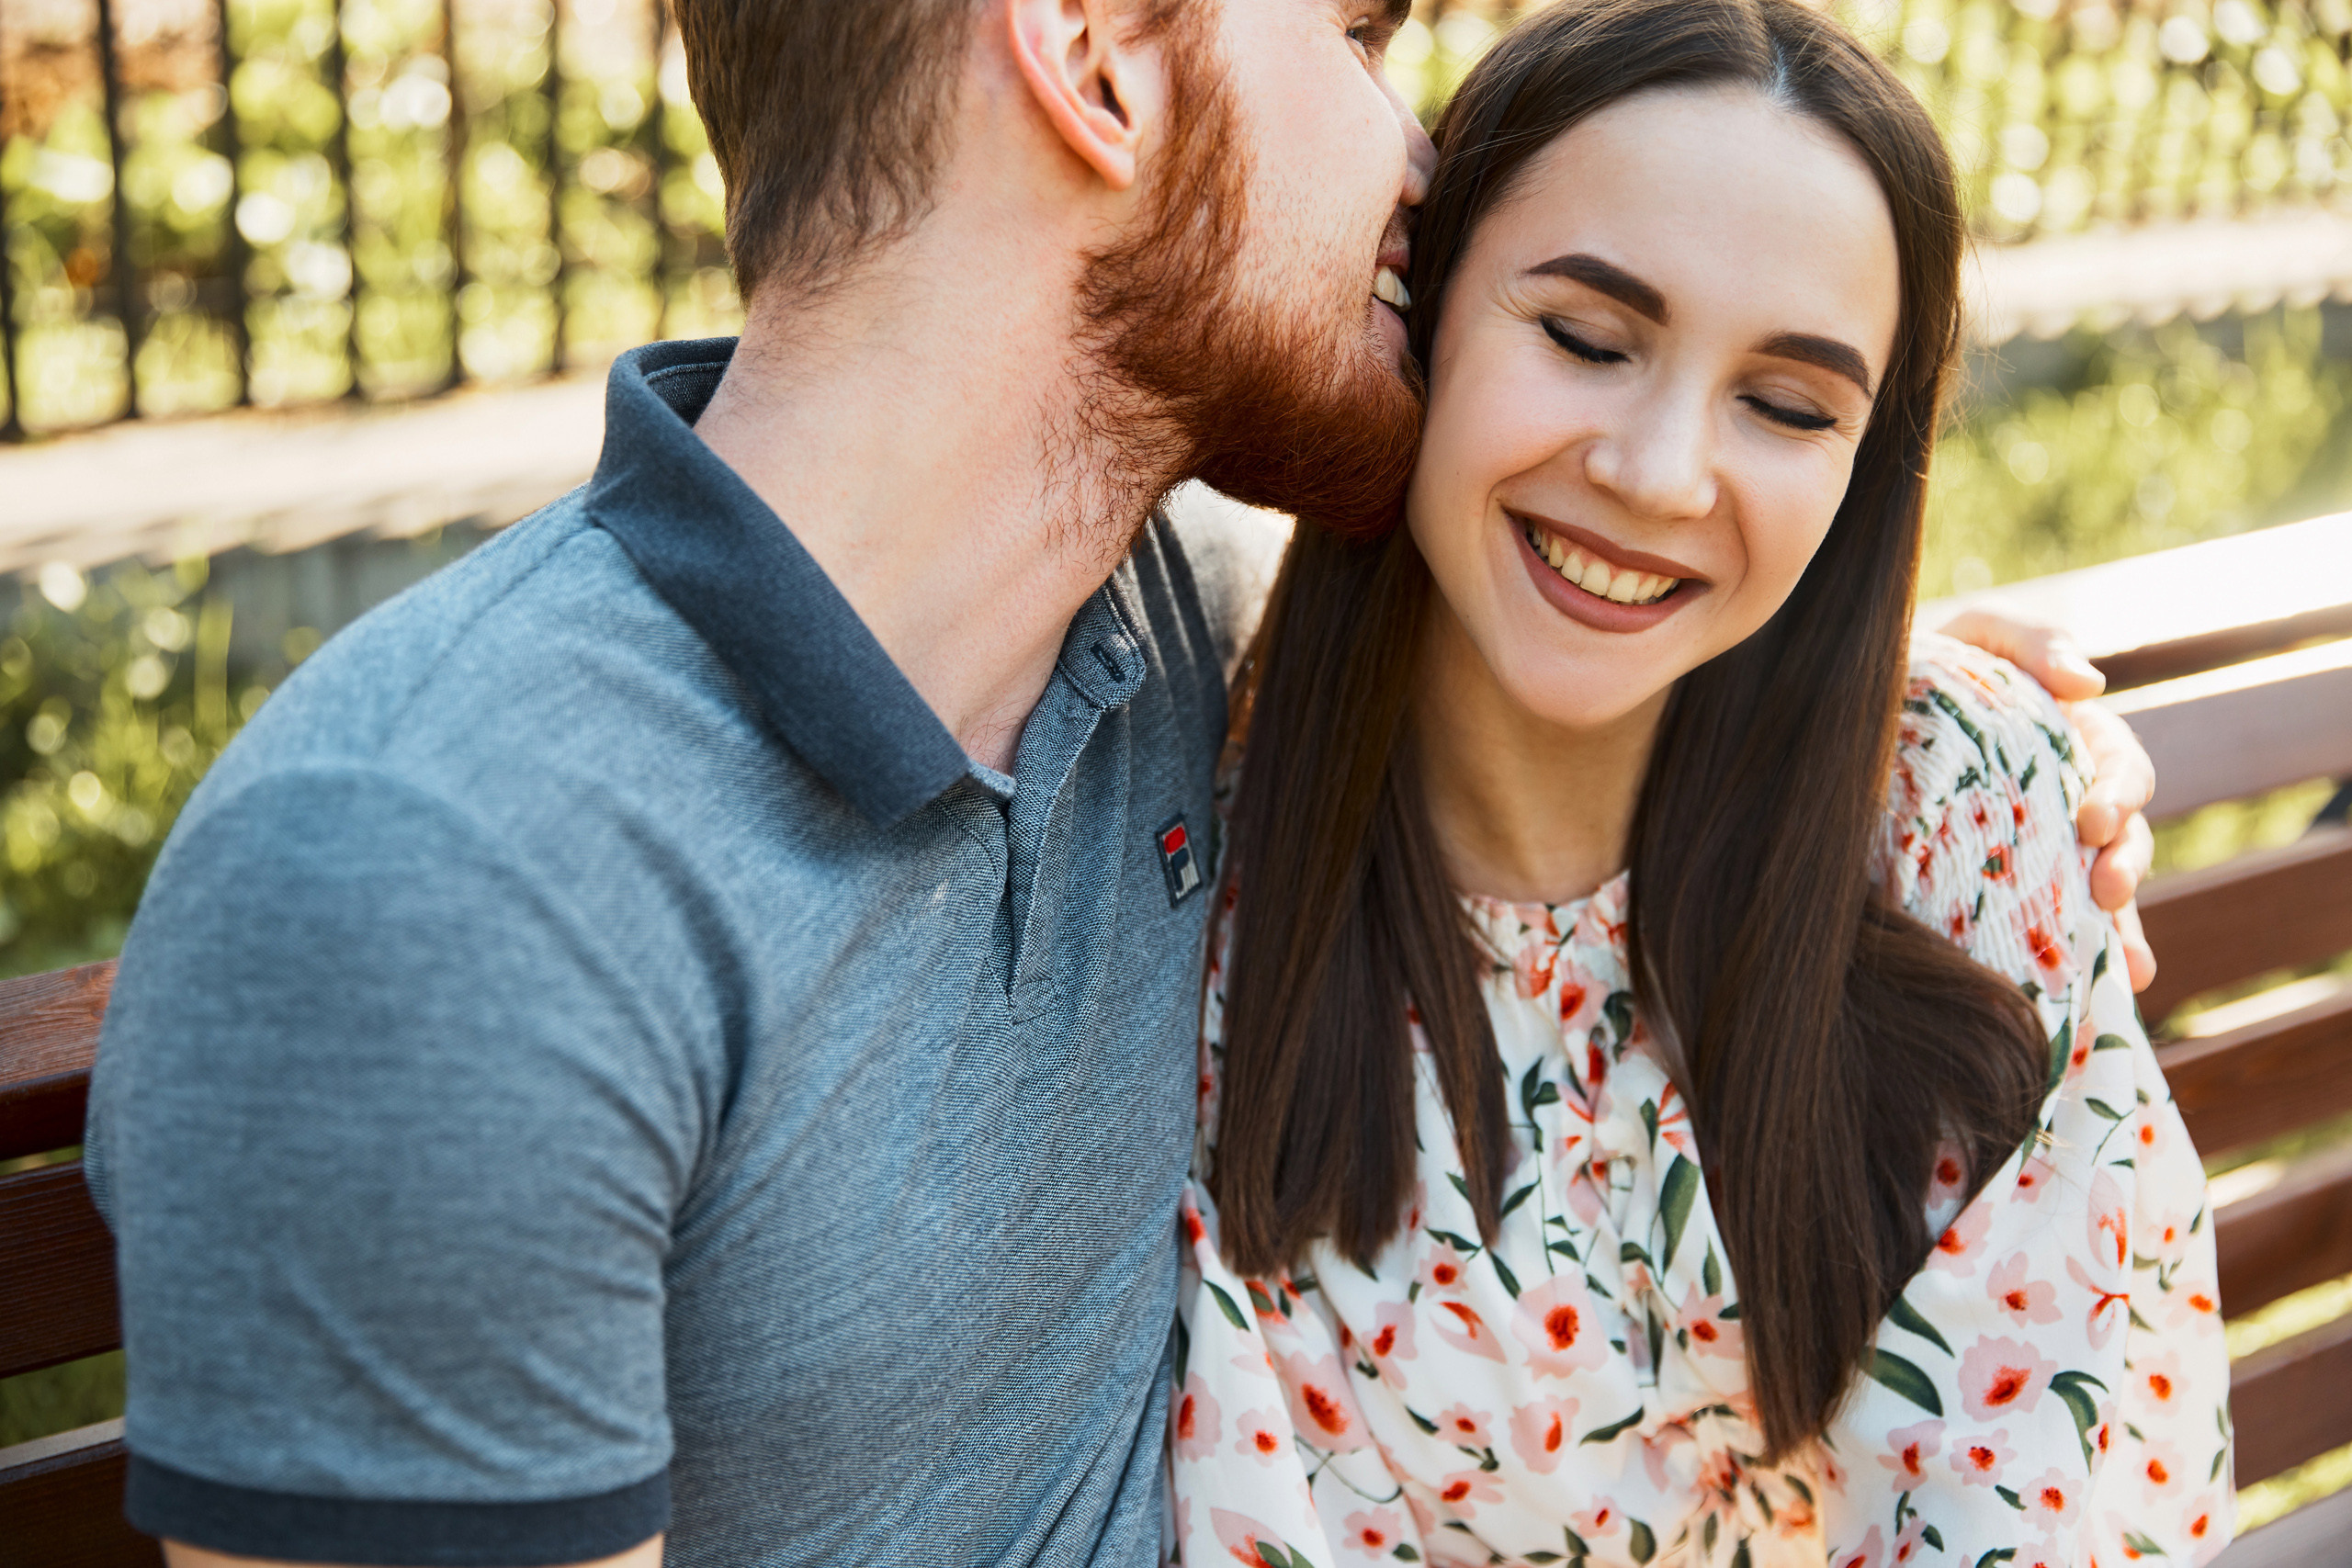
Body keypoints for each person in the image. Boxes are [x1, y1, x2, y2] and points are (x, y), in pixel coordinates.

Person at [81, 3, 2156, 1565]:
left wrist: (1873, 680)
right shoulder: (439, 889)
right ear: (1089, 51)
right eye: (1357, 36)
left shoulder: (1150, 634)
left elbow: (1567, 573)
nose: (1417, 155)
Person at [1171, 4, 2228, 1566]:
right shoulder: (1193, 908)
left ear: (1860, 474)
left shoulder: (1964, 811)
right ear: (1423, 308)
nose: (1663, 475)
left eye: (1788, 407)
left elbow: (2083, 1487)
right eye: (1588, 341)